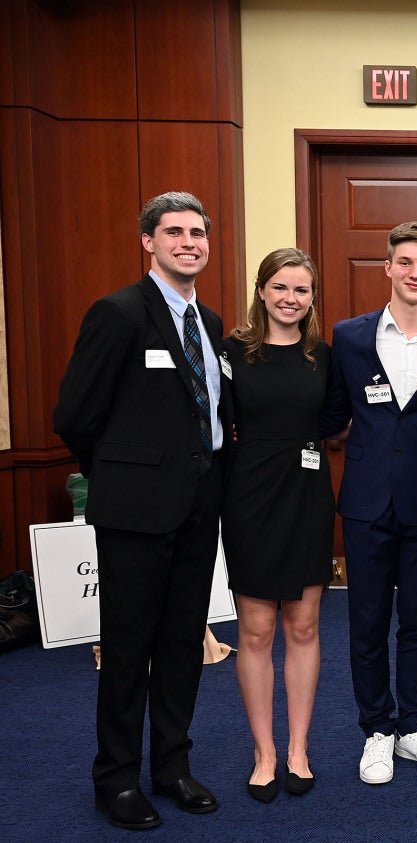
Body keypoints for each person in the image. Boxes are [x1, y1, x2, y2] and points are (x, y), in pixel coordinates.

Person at [54, 191, 230, 830]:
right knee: (129, 648)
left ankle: (172, 768)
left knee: (185, 641)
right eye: (174, 231)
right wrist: (123, 476)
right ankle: (117, 779)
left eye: (198, 232)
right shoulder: (119, 313)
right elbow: (75, 414)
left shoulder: (208, 324)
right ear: (148, 242)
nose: (189, 241)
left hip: (198, 506)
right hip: (134, 513)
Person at [319, 221, 417, 785]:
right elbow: (331, 415)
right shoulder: (350, 337)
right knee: (365, 623)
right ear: (387, 268)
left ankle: (414, 724)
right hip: (364, 505)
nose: (415, 273)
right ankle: (377, 731)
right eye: (404, 262)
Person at [222, 248, 339, 803]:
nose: (291, 299)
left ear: (312, 297)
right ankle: (263, 751)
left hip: (309, 496)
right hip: (248, 496)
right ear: (262, 291)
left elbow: (336, 417)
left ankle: (298, 749)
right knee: (256, 630)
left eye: (302, 290)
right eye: (281, 288)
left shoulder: (323, 356)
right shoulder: (233, 352)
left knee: (304, 625)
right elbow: (216, 420)